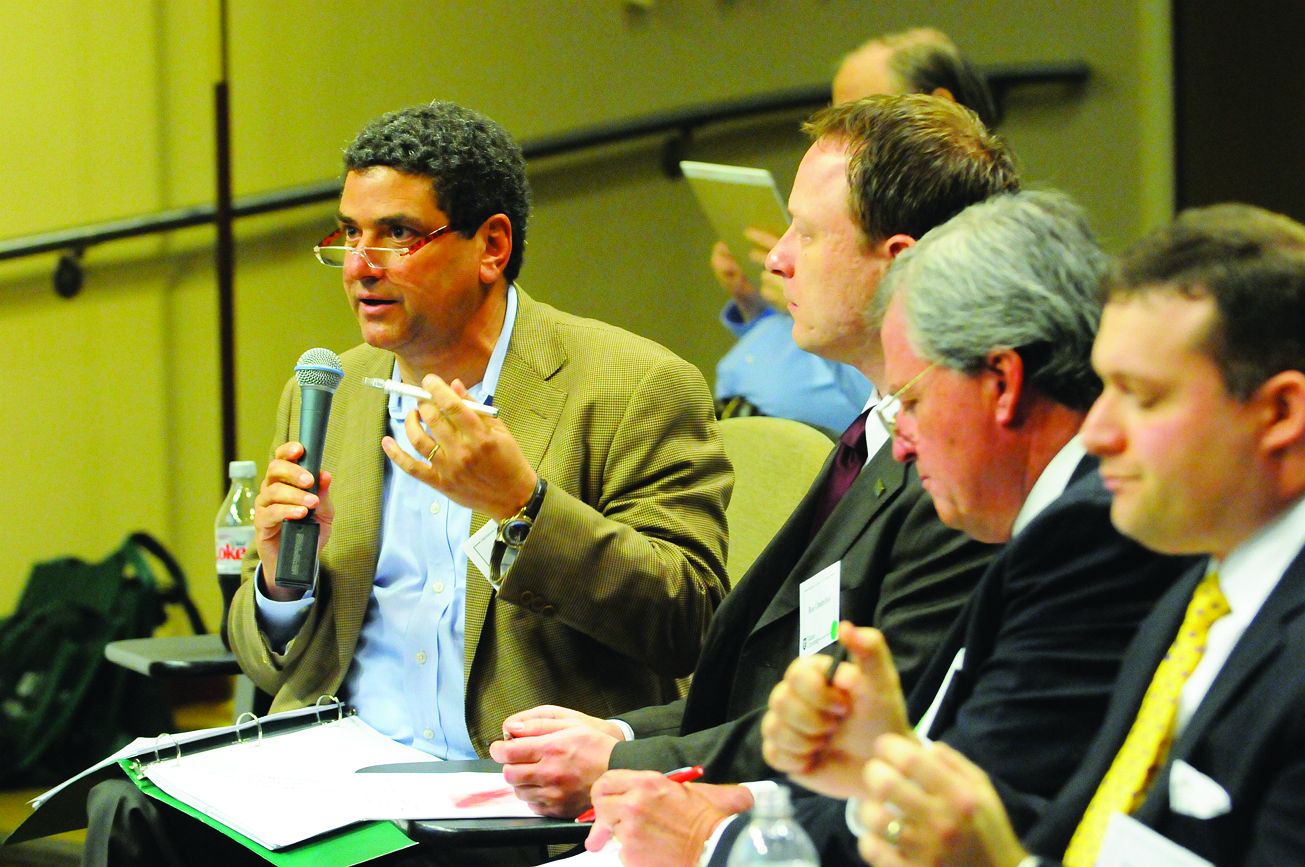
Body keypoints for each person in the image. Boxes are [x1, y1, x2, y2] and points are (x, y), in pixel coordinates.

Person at [81, 101, 731, 866]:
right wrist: (279, 590)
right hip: (332, 770)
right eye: (349, 234)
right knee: (127, 808)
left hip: (498, 795)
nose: (360, 265)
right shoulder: (329, 390)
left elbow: (690, 620)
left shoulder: (632, 386)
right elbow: (268, 663)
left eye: (396, 234)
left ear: (491, 245)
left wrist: (521, 509)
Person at [491, 93, 1014, 832]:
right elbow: (755, 685)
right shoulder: (874, 425)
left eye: (805, 232)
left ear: (897, 261)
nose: (775, 259)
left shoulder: (957, 476)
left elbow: (849, 729)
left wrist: (620, 765)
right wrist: (624, 735)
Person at [723, 191, 1196, 866]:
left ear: (1001, 381)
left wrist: (716, 840)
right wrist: (867, 767)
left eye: (909, 401)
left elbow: (992, 812)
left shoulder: (1088, 536)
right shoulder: (1039, 523)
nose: (904, 444)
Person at [844, 203, 1305, 867]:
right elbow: (1085, 839)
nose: (1096, 431)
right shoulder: (1194, 600)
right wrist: (877, 778)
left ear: (1278, 412)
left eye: (1141, 396)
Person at [712, 28, 995, 431]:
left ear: (934, 105)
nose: (845, 128)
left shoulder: (978, 243)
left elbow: (883, 371)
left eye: (866, 108)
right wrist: (755, 305)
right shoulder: (835, 197)